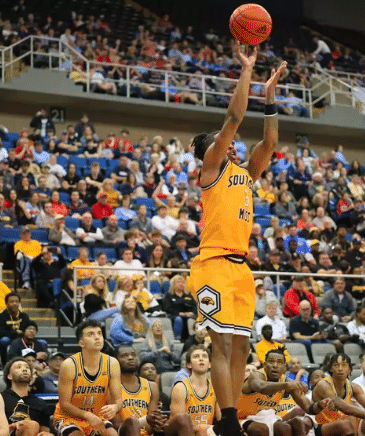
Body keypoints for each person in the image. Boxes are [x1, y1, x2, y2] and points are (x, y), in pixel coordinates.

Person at [187, 44, 286, 436]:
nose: (232, 142)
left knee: (242, 348)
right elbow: (232, 116)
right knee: (222, 346)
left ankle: (230, 416)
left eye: (230, 141)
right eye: (223, 140)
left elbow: (271, 143)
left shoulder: (246, 174)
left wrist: (270, 99)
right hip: (212, 263)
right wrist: (246, 70)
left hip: (241, 270)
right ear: (212, 149)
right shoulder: (211, 170)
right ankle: (227, 421)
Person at [53, 320, 123, 436]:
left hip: (96, 416)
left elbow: (119, 401)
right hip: (68, 417)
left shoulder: (112, 363)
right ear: (81, 343)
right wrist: (87, 415)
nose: (97, 337)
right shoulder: (69, 365)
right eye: (91, 334)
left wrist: (115, 407)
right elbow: (64, 405)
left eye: (99, 333)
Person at [237, 349, 327, 436]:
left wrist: (320, 405)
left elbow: (308, 408)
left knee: (290, 426)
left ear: (284, 367)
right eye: (271, 362)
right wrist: (286, 386)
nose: (275, 365)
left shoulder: (285, 381)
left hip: (268, 417)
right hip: (242, 419)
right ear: (264, 365)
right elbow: (262, 387)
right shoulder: (256, 375)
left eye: (279, 362)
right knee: (261, 429)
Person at [115, 344, 192, 436]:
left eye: (133, 355)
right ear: (115, 361)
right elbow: (116, 424)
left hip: (146, 431)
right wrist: (140, 422)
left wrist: (157, 423)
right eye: (124, 356)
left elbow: (152, 420)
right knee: (132, 422)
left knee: (183, 418)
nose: (131, 358)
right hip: (124, 431)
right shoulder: (112, 386)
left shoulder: (152, 386)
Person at [311, 353, 365, 434]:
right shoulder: (323, 384)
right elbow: (344, 407)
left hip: (344, 424)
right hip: (320, 426)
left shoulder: (354, 387)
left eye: (344, 365)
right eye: (336, 365)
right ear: (331, 368)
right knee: (346, 423)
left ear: (349, 369)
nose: (340, 369)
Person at [171, 345, 220, 436]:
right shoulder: (180, 387)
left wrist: (209, 429)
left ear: (209, 364)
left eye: (204, 356)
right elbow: (179, 422)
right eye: (196, 356)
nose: (201, 359)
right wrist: (200, 428)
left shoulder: (216, 387)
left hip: (206, 431)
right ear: (189, 364)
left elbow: (221, 419)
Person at [1, 357, 53, 436]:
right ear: (9, 376)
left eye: (27, 367)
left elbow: (45, 431)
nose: (24, 370)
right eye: (19, 367)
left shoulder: (40, 403)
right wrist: (12, 427)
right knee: (31, 425)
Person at [162, 274, 197, 341]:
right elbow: (167, 308)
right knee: (178, 319)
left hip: (188, 316)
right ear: (173, 284)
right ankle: (177, 339)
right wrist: (179, 313)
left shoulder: (188, 295)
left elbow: (195, 306)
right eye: (178, 282)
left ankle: (192, 338)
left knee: (192, 319)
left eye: (182, 282)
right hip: (174, 316)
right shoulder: (169, 296)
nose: (181, 284)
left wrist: (192, 313)